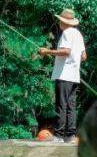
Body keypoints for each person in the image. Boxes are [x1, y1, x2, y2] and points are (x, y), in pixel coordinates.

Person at [37, 9, 87, 144]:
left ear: (64, 22)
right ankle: (70, 136)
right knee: (71, 107)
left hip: (64, 75)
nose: (59, 22)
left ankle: (58, 136)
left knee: (61, 105)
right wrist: (74, 61)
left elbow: (66, 51)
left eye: (60, 20)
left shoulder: (67, 33)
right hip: (74, 76)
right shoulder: (78, 34)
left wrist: (47, 51)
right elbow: (83, 56)